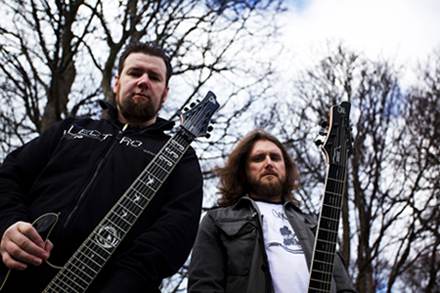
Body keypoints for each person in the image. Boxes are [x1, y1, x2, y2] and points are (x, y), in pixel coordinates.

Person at [0, 41, 203, 292]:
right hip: (16, 275)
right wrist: (9, 224)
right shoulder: (70, 129)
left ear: (165, 93)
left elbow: (176, 230)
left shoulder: (179, 156)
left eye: (154, 77)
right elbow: (10, 175)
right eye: (134, 72)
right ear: (116, 82)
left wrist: (123, 285)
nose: (143, 81)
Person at [188, 129, 357, 293]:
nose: (269, 163)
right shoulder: (217, 221)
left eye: (275, 158)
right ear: (243, 171)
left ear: (287, 169)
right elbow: (204, 287)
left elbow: (344, 286)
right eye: (258, 158)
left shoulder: (314, 225)